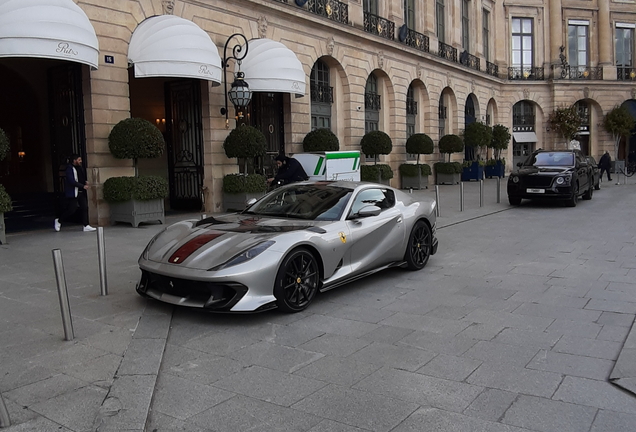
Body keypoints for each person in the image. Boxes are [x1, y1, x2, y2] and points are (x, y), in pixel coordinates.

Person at [54, 154, 96, 232]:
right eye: (79, 160)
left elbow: (81, 177)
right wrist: (82, 186)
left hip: (80, 192)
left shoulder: (80, 168)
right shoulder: (69, 169)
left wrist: (85, 182)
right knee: (71, 209)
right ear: (74, 160)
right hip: (74, 192)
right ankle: (59, 220)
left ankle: (86, 225)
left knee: (85, 207)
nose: (81, 161)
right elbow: (71, 181)